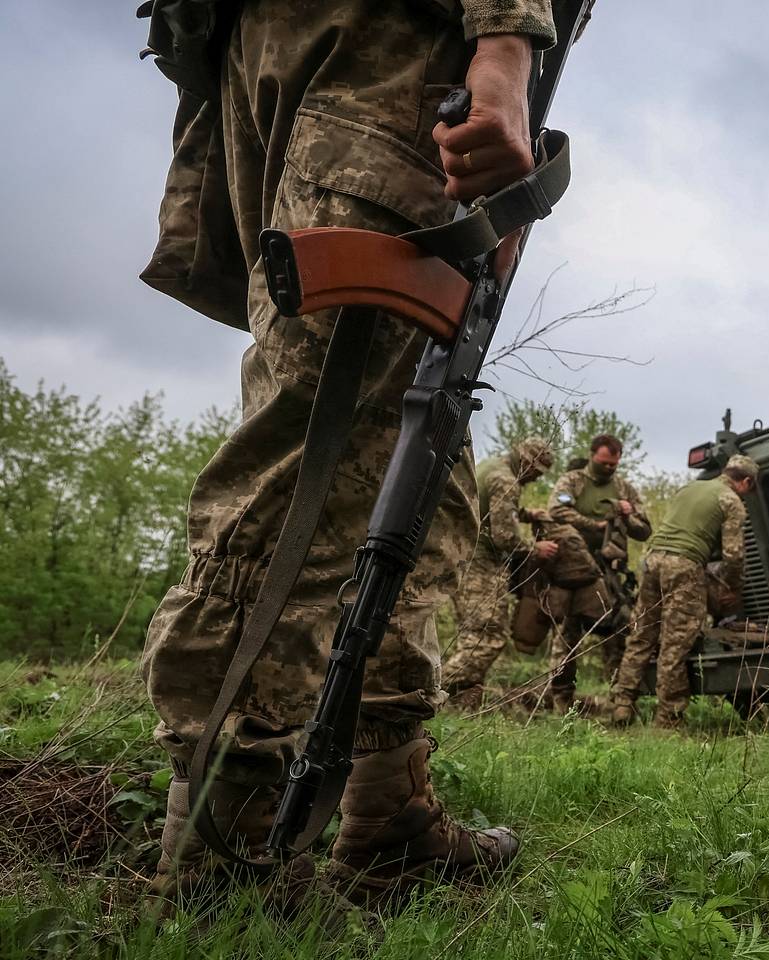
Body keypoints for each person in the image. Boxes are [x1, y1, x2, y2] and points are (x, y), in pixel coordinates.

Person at [137, 0, 559, 910]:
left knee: (410, 446)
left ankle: (386, 810)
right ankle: (220, 845)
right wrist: (507, 43)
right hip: (385, 56)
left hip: (301, 52)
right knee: (321, 446)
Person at [610, 455, 759, 729]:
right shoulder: (731, 500)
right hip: (684, 565)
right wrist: (733, 587)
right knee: (675, 643)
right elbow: (733, 555)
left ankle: (622, 705)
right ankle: (668, 720)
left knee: (642, 634)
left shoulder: (689, 488)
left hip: (652, 560)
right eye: (750, 490)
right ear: (746, 481)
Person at [441, 437, 559, 704]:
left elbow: (487, 507)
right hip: (480, 563)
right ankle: (434, 691)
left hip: (462, 554)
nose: (536, 479)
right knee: (488, 635)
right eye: (537, 472)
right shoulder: (506, 480)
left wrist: (526, 514)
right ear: (527, 463)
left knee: (472, 633)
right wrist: (535, 548)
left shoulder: (492, 466)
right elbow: (504, 536)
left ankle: (461, 702)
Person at [543, 434, 650, 711]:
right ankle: (560, 700)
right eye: (604, 463)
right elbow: (556, 510)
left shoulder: (624, 488)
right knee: (567, 634)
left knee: (619, 631)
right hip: (573, 571)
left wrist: (627, 515)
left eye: (614, 465)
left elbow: (644, 530)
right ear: (592, 455)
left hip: (609, 573)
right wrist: (594, 525)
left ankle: (619, 700)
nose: (609, 469)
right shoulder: (573, 481)